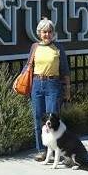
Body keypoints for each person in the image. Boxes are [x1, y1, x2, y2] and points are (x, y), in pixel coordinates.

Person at [26, 17, 71, 161]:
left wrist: (67, 90)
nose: (47, 34)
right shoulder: (35, 47)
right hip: (37, 84)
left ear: (53, 33)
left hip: (53, 85)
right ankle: (43, 151)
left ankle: (58, 151)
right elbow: (28, 67)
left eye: (50, 32)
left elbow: (65, 70)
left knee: (53, 119)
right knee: (38, 118)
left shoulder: (58, 48)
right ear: (39, 33)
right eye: (44, 32)